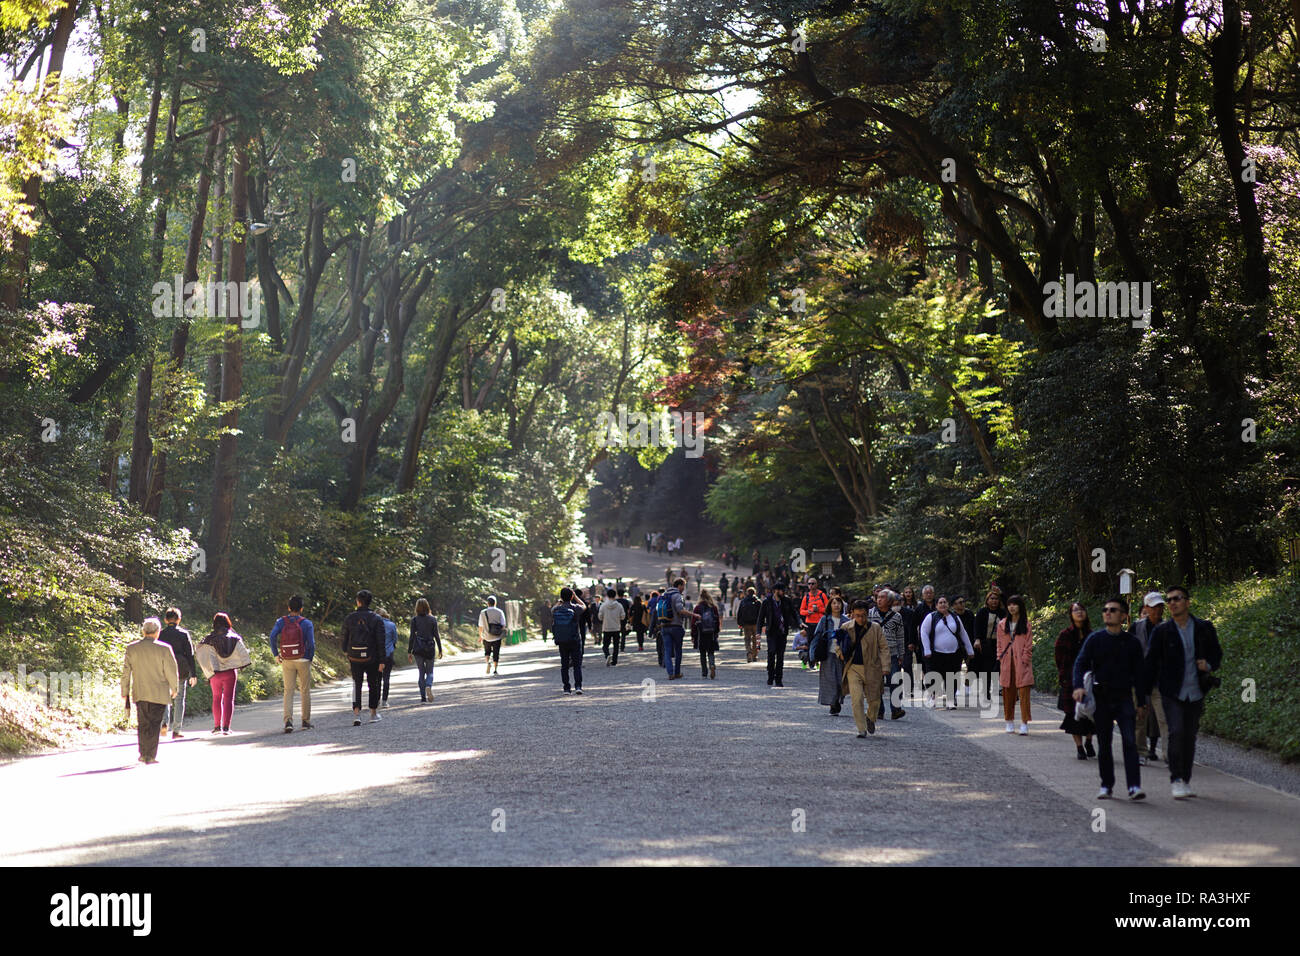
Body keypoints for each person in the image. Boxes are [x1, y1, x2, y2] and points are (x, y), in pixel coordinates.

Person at [1144, 585, 1223, 799]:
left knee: (1189, 736)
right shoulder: (1162, 632)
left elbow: (1217, 654)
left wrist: (1207, 665)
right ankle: (1176, 779)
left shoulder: (1204, 628)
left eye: (1177, 598)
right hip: (1171, 692)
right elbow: (1150, 662)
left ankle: (1185, 779)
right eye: (1169, 600)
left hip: (1196, 690)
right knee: (1176, 731)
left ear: (1187, 602)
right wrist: (1144, 695)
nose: (1172, 603)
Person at [1073, 596, 1146, 800]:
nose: (1108, 612)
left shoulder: (1132, 643)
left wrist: (1141, 702)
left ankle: (1134, 786)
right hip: (1101, 698)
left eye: (1113, 610)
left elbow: (1140, 674)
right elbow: (1080, 664)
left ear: (1123, 616)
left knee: (1130, 741)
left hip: (1124, 697)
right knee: (1104, 744)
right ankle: (1106, 785)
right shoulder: (1095, 639)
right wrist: (1078, 686)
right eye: (1105, 609)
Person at [122, 617, 178, 764]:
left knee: (143, 723)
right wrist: (174, 688)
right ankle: (150, 755)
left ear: (143, 631)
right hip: (159, 692)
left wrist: (124, 691)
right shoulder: (164, 649)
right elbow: (171, 671)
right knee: (154, 723)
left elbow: (126, 672)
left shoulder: (132, 648)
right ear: (157, 632)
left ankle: (143, 753)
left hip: (140, 691)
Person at [838, 600, 891, 737]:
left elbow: (884, 647)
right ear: (852, 615)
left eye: (863, 615)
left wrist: (885, 666)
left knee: (875, 700)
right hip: (853, 668)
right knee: (857, 699)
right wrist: (840, 654)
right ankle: (861, 729)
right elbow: (837, 643)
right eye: (857, 615)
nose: (860, 618)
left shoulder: (876, 628)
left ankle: (870, 718)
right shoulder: (845, 627)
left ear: (867, 614)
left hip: (872, 667)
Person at [1055, 602, 1096, 759]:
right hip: (1070, 680)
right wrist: (1064, 676)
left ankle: (1089, 741)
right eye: (1075, 610)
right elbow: (1059, 658)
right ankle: (1079, 748)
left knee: (1091, 712)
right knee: (1073, 715)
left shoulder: (1092, 635)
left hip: (1090, 680)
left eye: (1081, 610)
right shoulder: (1065, 635)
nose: (1079, 612)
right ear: (1071, 615)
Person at [269, 595, 316, 732]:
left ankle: (288, 721)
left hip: (287, 659)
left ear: (289, 608)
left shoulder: (281, 621)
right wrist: (309, 658)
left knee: (288, 691)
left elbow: (272, 636)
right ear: (301, 608)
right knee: (305, 691)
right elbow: (311, 644)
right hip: (303, 659)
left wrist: (276, 654)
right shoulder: (307, 623)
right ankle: (305, 722)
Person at [1133, 592, 1169, 763]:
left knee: (1164, 719)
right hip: (1140, 681)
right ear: (1146, 608)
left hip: (1160, 681)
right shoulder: (1136, 627)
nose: (1158, 610)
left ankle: (1169, 754)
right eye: (1154, 607)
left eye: (1161, 606)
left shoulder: (1169, 628)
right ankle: (1140, 752)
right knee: (1140, 719)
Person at [341, 590, 386, 725]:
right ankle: (373, 713)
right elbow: (381, 640)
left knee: (357, 684)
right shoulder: (376, 618)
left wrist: (345, 651)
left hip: (354, 657)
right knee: (373, 684)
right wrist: (382, 660)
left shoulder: (349, 618)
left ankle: (357, 714)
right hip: (372, 657)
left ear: (358, 601)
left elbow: (344, 637)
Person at [919, 595, 973, 709]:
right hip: (936, 654)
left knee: (952, 677)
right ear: (936, 605)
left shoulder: (955, 617)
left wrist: (969, 649)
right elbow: (923, 633)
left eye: (945, 602)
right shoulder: (931, 617)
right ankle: (933, 696)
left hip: (954, 653)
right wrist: (927, 649)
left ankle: (950, 700)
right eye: (940, 603)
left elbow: (963, 633)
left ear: (948, 605)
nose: (943, 604)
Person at [199, 613, 248, 735]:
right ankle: (226, 727)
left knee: (216, 698)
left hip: (215, 674)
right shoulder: (234, 637)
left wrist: (206, 670)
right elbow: (243, 653)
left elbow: (201, 652)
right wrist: (243, 664)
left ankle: (217, 727)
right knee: (228, 699)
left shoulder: (208, 639)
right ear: (228, 623)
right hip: (230, 672)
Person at [156, 608, 196, 739]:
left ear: (166, 620)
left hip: (163, 668)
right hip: (181, 668)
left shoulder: (160, 634)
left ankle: (164, 723)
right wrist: (193, 674)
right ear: (179, 619)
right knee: (179, 699)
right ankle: (176, 730)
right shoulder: (184, 634)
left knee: (164, 698)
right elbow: (190, 655)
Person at [995, 594, 1034, 732]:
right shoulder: (1002, 624)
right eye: (1009, 604)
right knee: (1007, 692)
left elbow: (1029, 645)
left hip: (1022, 663)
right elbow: (999, 643)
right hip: (1007, 661)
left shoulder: (1026, 625)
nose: (1011, 607)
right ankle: (1009, 720)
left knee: (1024, 693)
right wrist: (1000, 657)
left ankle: (1024, 722)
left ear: (1020, 606)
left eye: (1014, 604)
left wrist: (1025, 659)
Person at [870, 589, 907, 719]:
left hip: (892, 654)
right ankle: (879, 710)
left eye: (882, 597)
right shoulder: (870, 614)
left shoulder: (897, 617)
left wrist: (901, 655)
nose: (879, 600)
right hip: (874, 654)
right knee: (876, 683)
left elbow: (900, 637)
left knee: (895, 682)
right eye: (878, 597)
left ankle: (896, 709)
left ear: (890, 601)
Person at [811, 595, 850, 715]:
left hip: (841, 655)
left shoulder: (846, 621)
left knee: (840, 680)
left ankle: (837, 701)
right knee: (830, 680)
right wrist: (813, 655)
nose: (836, 605)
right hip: (827, 654)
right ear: (830, 606)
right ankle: (833, 703)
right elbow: (817, 636)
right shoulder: (825, 619)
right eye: (834, 603)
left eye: (838, 603)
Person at [970, 590, 1006, 711]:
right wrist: (977, 639)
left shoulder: (1002, 612)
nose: (994, 601)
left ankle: (995, 690)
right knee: (986, 668)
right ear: (987, 600)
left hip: (999, 643)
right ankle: (986, 692)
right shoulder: (982, 612)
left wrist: (1002, 594)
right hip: (985, 644)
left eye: (996, 599)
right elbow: (977, 626)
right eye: (992, 599)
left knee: (996, 667)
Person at [656, 577, 697, 680]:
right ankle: (677, 672)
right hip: (676, 626)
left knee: (667, 651)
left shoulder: (664, 595)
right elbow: (680, 610)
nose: (684, 588)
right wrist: (693, 614)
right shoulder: (677, 596)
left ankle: (670, 673)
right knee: (678, 650)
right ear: (679, 586)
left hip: (664, 626)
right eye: (683, 585)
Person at [757, 582, 797, 687]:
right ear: (775, 591)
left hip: (782, 632)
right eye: (782, 590)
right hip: (771, 632)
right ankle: (770, 676)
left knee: (780, 657)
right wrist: (758, 632)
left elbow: (794, 613)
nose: (783, 592)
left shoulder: (787, 601)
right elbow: (760, 618)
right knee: (771, 652)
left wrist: (800, 622)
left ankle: (779, 679)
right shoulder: (767, 602)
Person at [407, 597, 443, 703]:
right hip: (430, 648)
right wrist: (440, 649)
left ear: (417, 608)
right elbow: (436, 635)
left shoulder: (414, 620)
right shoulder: (432, 619)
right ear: (427, 607)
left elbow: (412, 636)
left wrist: (409, 651)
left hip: (418, 649)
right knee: (430, 672)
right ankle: (428, 685)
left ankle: (423, 697)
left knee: (421, 672)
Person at [551, 587, 584, 695]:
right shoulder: (575, 608)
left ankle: (566, 688)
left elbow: (552, 609)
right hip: (574, 639)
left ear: (561, 597)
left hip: (562, 640)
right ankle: (578, 686)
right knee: (577, 664)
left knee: (564, 665)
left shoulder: (557, 609)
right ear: (571, 596)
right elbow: (584, 606)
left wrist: (559, 601)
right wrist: (576, 597)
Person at [692, 589, 722, 678]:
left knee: (702, 653)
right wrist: (716, 632)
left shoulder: (697, 607)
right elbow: (717, 620)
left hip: (701, 633)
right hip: (711, 633)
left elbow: (693, 622)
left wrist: (693, 634)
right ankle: (712, 665)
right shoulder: (713, 607)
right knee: (711, 651)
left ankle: (704, 672)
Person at [799, 581, 828, 670]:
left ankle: (818, 660)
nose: (811, 585)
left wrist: (819, 609)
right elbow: (801, 611)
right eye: (809, 584)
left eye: (813, 583)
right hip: (810, 623)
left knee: (820, 642)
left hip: (820, 622)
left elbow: (827, 608)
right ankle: (812, 662)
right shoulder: (806, 597)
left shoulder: (822, 595)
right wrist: (808, 612)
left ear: (816, 584)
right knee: (811, 642)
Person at [479, 596, 507, 676]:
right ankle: (495, 669)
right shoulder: (500, 612)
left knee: (487, 652)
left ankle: (488, 662)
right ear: (495, 603)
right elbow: (503, 625)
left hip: (486, 636)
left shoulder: (483, 612)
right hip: (497, 636)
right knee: (496, 653)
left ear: (487, 603)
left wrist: (480, 636)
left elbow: (480, 626)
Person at [598, 588, 626, 666]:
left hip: (606, 627)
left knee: (605, 645)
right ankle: (614, 661)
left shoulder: (603, 605)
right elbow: (623, 616)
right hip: (616, 628)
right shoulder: (619, 605)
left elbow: (600, 616)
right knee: (616, 645)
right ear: (615, 595)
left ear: (607, 595)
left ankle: (607, 655)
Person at [376, 608, 398, 705]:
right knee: (386, 678)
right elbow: (395, 639)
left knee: (377, 678)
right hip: (388, 654)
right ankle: (384, 701)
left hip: (376, 655)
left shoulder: (374, 625)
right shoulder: (391, 625)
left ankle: (376, 700)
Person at [737, 586, 761, 662]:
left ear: (747, 593)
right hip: (755, 624)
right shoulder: (758, 601)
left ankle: (749, 652)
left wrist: (739, 623)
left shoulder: (743, 601)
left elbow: (739, 613)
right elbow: (762, 614)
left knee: (747, 639)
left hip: (746, 623)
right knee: (755, 639)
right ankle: (755, 655)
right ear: (755, 593)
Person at [616, 588, 632, 652]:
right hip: (624, 619)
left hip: (616, 619)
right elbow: (628, 611)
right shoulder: (626, 601)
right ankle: (622, 647)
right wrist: (629, 619)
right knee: (623, 633)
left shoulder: (616, 601)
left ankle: (617, 644)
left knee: (617, 633)